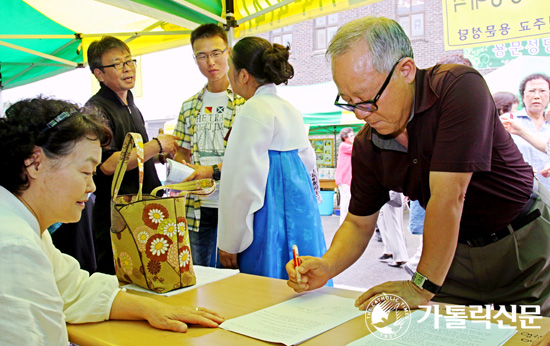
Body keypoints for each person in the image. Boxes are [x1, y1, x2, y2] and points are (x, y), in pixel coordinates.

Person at [285, 16, 550, 316]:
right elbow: (359, 223)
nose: (360, 114)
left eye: (368, 100)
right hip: (453, 252)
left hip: (522, 241)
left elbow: (449, 197)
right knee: (443, 334)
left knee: (532, 334)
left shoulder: (457, 87)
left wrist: (419, 286)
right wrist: (328, 264)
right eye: (349, 102)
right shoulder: (366, 145)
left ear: (406, 70)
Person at [0, 97, 223, 345]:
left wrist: (150, 309)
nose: (92, 186)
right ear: (34, 162)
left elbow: (73, 290)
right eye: (85, 172)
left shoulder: (26, 229)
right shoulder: (12, 245)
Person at [217, 37, 328, 279]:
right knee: (302, 278)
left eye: (230, 69)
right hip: (301, 212)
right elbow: (309, 163)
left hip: (267, 214)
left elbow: (240, 182)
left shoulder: (251, 111)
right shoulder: (289, 108)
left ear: (243, 76)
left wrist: (230, 240)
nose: (228, 76)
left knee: (266, 287)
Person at [86, 36, 180, 274]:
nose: (128, 68)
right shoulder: (95, 109)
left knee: (151, 272)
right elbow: (107, 164)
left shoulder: (130, 104)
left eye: (130, 61)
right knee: (121, 277)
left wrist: (158, 156)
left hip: (145, 205)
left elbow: (136, 156)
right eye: (118, 64)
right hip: (119, 213)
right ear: (99, 74)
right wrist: (155, 145)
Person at [173, 24, 245, 267]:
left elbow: (249, 157)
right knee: (200, 271)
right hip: (197, 205)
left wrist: (212, 170)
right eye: (202, 56)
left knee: (236, 272)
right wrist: (179, 172)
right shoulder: (189, 106)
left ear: (228, 52)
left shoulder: (245, 103)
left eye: (216, 53)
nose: (210, 62)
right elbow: (182, 153)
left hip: (235, 204)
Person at [501, 73, 550, 191]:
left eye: (542, 91)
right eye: (532, 91)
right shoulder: (508, 121)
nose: (537, 96)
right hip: (519, 190)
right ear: (523, 96)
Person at [377, 191, 408, 268]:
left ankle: (400, 257)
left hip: (390, 187)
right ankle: (389, 250)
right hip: (387, 188)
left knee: (392, 220)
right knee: (383, 218)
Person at [335, 127, 354, 225]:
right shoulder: (344, 146)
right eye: (351, 136)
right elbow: (357, 149)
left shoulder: (346, 146)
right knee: (346, 200)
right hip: (344, 177)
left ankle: (345, 222)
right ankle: (343, 222)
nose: (353, 137)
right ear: (345, 137)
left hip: (347, 178)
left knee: (348, 199)